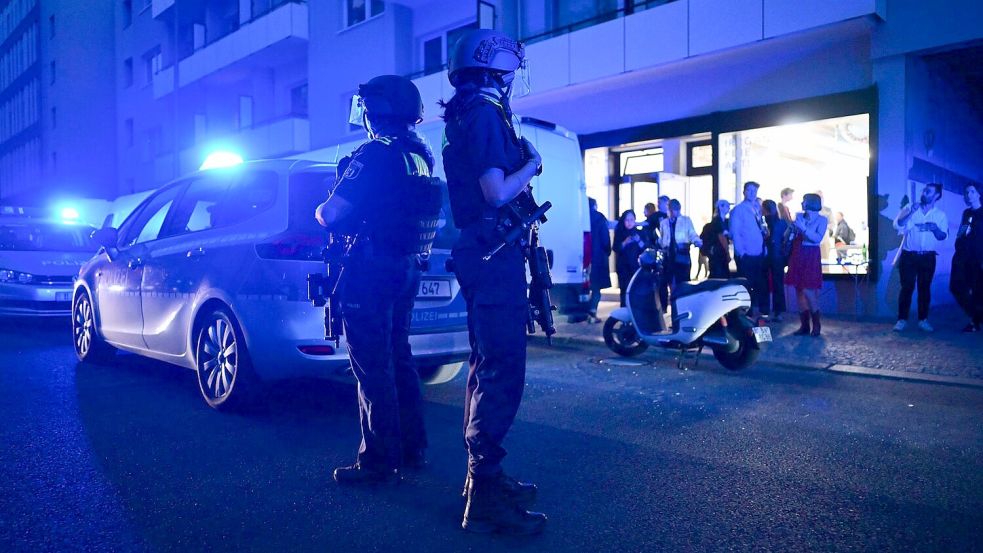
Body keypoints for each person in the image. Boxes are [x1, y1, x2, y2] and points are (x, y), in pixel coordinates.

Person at [440, 28, 546, 535]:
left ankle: (482, 479)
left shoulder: (469, 112)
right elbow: (496, 191)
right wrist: (533, 165)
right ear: (493, 67)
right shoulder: (483, 113)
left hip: (484, 251)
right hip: (492, 251)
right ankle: (483, 497)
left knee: (486, 366)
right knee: (501, 369)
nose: (512, 79)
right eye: (509, 70)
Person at [314, 75, 442, 485]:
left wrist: (320, 208)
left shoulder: (375, 152)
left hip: (370, 270)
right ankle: (412, 449)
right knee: (399, 356)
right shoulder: (419, 154)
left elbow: (331, 214)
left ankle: (378, 463)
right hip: (405, 266)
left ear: (375, 112)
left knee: (372, 365)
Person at [892, 183, 948, 332]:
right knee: (907, 288)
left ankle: (923, 320)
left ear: (936, 196)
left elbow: (943, 236)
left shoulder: (940, 215)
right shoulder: (910, 207)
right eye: (924, 191)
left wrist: (935, 228)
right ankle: (901, 320)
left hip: (928, 257)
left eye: (928, 192)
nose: (924, 193)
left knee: (924, 288)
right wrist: (911, 212)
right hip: (909, 256)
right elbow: (897, 224)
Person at [785, 194, 827, 336]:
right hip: (797, 253)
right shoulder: (799, 217)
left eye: (804, 201)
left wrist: (803, 228)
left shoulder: (822, 220)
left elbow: (817, 238)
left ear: (811, 203)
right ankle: (804, 325)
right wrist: (791, 228)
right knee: (798, 289)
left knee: (809, 289)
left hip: (810, 255)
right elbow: (788, 236)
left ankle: (816, 324)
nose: (802, 203)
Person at [729, 181, 769, 318]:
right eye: (749, 190)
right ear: (744, 192)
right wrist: (741, 252)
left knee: (759, 283)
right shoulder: (738, 210)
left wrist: (764, 248)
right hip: (746, 253)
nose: (752, 193)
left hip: (758, 252)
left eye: (755, 191)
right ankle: (747, 314)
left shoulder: (756, 208)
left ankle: (758, 313)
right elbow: (735, 232)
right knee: (747, 283)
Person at [950, 183, 983, 332]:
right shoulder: (967, 213)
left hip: (978, 258)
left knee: (977, 290)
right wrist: (958, 243)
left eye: (972, 192)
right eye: (966, 192)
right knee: (955, 286)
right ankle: (977, 316)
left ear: (978, 194)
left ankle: (975, 322)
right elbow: (962, 232)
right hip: (963, 257)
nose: (968, 195)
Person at [659, 199, 702, 300]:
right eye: (670, 209)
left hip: (682, 253)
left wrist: (696, 241)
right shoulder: (664, 222)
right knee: (669, 279)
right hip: (668, 255)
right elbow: (662, 237)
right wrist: (661, 244)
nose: (672, 212)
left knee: (682, 280)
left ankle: (681, 299)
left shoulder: (686, 221)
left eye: (674, 209)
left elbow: (692, 233)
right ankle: (673, 299)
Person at [761, 200, 789, 322]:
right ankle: (778, 312)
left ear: (764, 209)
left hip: (765, 255)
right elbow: (786, 240)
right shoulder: (782, 223)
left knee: (764, 284)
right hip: (778, 256)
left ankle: (765, 311)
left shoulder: (762, 222)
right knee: (778, 284)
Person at [613, 209, 647, 307]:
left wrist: (638, 240)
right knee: (624, 290)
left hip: (636, 267)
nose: (629, 223)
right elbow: (615, 248)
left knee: (635, 290)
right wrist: (625, 242)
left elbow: (645, 248)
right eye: (627, 220)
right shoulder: (620, 232)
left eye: (632, 220)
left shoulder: (639, 232)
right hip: (623, 267)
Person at [587, 197, 612, 323]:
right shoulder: (600, 218)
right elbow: (605, 239)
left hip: (584, 257)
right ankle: (592, 313)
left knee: (586, 288)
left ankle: (587, 313)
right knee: (596, 289)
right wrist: (608, 251)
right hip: (598, 258)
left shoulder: (581, 217)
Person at [700, 199, 732, 279]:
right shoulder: (717, 222)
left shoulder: (725, 222)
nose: (729, 208)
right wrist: (727, 252)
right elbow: (721, 237)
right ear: (721, 207)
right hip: (718, 254)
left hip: (718, 254)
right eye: (727, 206)